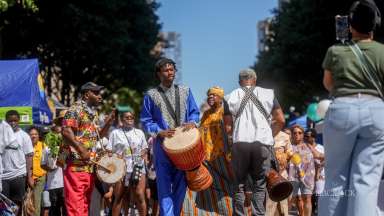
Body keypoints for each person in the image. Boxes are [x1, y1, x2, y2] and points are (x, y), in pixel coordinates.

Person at [320, 1, 384, 215]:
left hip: (342, 109)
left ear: (350, 25)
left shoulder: (336, 51)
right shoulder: (382, 51)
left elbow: (328, 84)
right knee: (366, 181)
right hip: (376, 110)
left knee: (335, 177)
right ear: (375, 24)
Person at [140, 57, 199, 216]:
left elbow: (194, 112)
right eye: (166, 69)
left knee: (181, 184)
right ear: (159, 73)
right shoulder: (150, 95)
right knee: (164, 186)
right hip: (162, 145)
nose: (170, 72)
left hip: (183, 147)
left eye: (172, 69)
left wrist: (193, 122)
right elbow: (146, 120)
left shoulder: (185, 91)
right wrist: (159, 131)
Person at [226, 68, 285, 215]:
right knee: (260, 183)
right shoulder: (268, 94)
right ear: (255, 80)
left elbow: (228, 128)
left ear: (240, 82)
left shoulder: (229, 97)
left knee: (239, 184)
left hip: (240, 144)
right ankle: (258, 214)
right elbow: (281, 120)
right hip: (262, 144)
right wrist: (269, 136)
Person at [61, 82, 115, 216]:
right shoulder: (75, 109)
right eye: (95, 93)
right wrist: (81, 149)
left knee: (84, 205)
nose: (99, 96)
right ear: (86, 94)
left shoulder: (93, 113)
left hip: (89, 167)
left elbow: (96, 138)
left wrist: (108, 124)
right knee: (76, 208)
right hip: (76, 166)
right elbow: (66, 132)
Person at [191, 86, 234, 215]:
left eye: (214, 95)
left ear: (221, 98)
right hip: (207, 157)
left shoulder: (225, 113)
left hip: (223, 156)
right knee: (210, 186)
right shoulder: (206, 114)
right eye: (209, 95)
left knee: (228, 185)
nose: (210, 97)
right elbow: (199, 132)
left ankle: (232, 211)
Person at [108, 111, 148, 216]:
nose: (130, 119)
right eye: (127, 117)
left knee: (139, 195)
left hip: (138, 166)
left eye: (132, 117)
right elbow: (109, 151)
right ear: (122, 119)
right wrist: (116, 158)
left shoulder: (140, 132)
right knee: (119, 196)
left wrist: (140, 156)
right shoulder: (115, 133)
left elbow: (145, 148)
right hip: (120, 168)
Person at [2, 110, 34, 215]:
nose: (12, 123)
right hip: (3, 178)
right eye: (10, 121)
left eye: (15, 120)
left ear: (19, 121)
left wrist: (29, 177)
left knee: (19, 205)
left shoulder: (24, 136)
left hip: (19, 176)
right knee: (4, 207)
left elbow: (29, 157)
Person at [41, 110, 67, 216]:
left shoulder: (73, 142)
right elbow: (42, 164)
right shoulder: (48, 145)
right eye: (61, 122)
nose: (63, 124)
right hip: (54, 183)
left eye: (65, 121)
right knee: (55, 210)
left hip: (68, 182)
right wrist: (49, 168)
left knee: (67, 210)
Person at [288, 125, 315, 216]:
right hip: (293, 176)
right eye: (294, 133)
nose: (297, 135)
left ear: (303, 134)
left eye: (300, 133)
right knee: (290, 199)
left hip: (308, 176)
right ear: (292, 135)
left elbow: (317, 156)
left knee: (307, 198)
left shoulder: (309, 146)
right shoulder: (289, 147)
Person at [265, 131, 292, 216]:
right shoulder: (262, 133)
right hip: (267, 176)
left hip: (282, 175)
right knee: (269, 206)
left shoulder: (285, 136)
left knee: (283, 207)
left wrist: (283, 165)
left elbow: (290, 153)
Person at [304, 128, 324, 216]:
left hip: (319, 176)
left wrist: (319, 169)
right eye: (305, 136)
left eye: (308, 136)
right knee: (309, 198)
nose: (306, 138)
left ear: (314, 137)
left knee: (319, 197)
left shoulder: (320, 148)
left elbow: (324, 159)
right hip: (307, 177)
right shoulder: (303, 147)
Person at [29, 126, 47, 216]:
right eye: (31, 134)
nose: (33, 136)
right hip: (27, 178)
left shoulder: (43, 145)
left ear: (39, 135)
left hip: (40, 178)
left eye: (35, 134)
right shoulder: (26, 146)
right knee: (28, 202)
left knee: (37, 201)